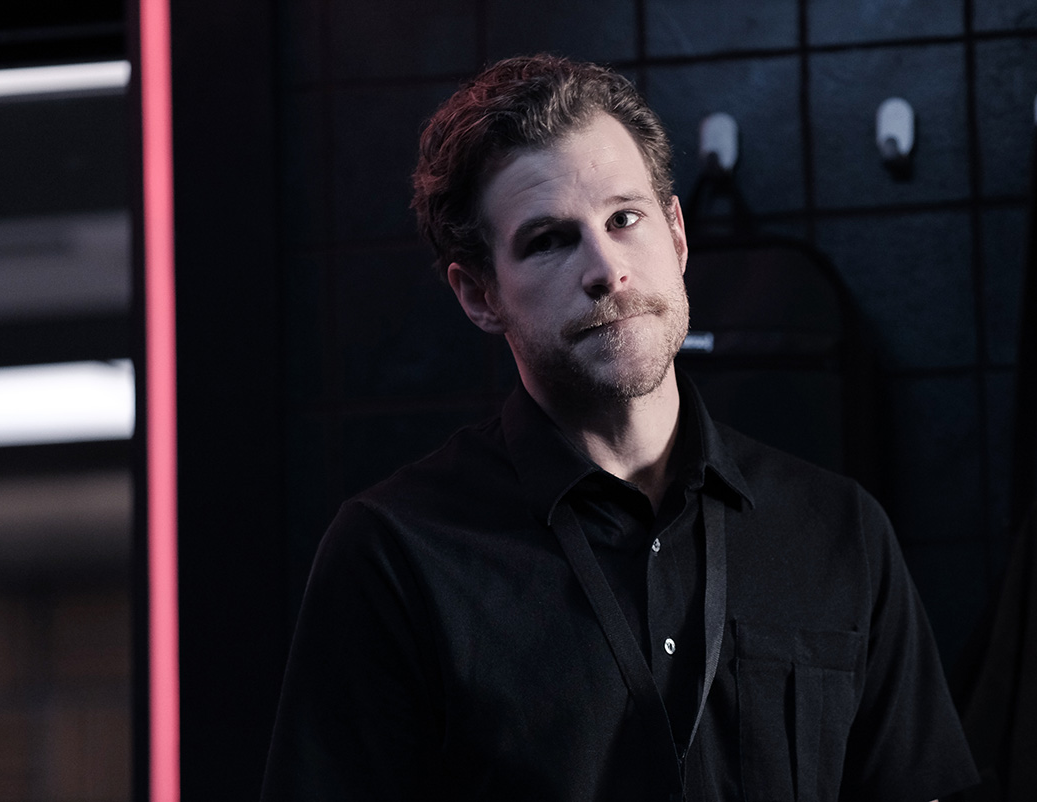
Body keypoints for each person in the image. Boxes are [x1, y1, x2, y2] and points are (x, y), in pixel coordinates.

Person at [261, 54, 978, 801]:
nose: (606, 269)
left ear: (677, 235)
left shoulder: (840, 530)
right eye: (549, 240)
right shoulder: (393, 555)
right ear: (478, 294)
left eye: (625, 219)